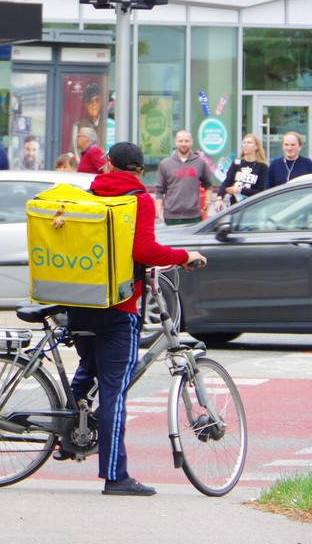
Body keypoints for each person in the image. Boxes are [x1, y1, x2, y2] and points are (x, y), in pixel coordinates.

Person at [62, 142, 207, 496]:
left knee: (88, 369)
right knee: (114, 391)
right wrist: (185, 254)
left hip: (78, 302)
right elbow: (144, 250)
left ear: (108, 165)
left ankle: (66, 438)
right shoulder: (137, 199)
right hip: (118, 307)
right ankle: (116, 476)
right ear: (139, 170)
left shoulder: (89, 193)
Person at [155, 130, 215, 225]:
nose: (183, 144)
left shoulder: (200, 162)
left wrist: (208, 202)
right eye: (180, 141)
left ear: (192, 142)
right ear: (175, 142)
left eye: (186, 141)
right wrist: (159, 213)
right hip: (171, 216)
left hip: (194, 216)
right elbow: (159, 190)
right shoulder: (165, 164)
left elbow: (208, 185)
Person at [213, 133, 268, 212]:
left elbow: (261, 191)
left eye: (249, 143)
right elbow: (227, 182)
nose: (245, 145)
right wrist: (219, 198)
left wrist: (240, 190)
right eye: (244, 142)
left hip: (253, 208)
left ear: (256, 147)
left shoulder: (262, 166)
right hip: (235, 207)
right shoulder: (237, 163)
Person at [71, 82, 106, 154]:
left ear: (101, 102)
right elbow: (74, 151)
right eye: (90, 101)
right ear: (85, 105)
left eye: (97, 100)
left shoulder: (108, 124)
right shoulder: (78, 126)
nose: (94, 104)